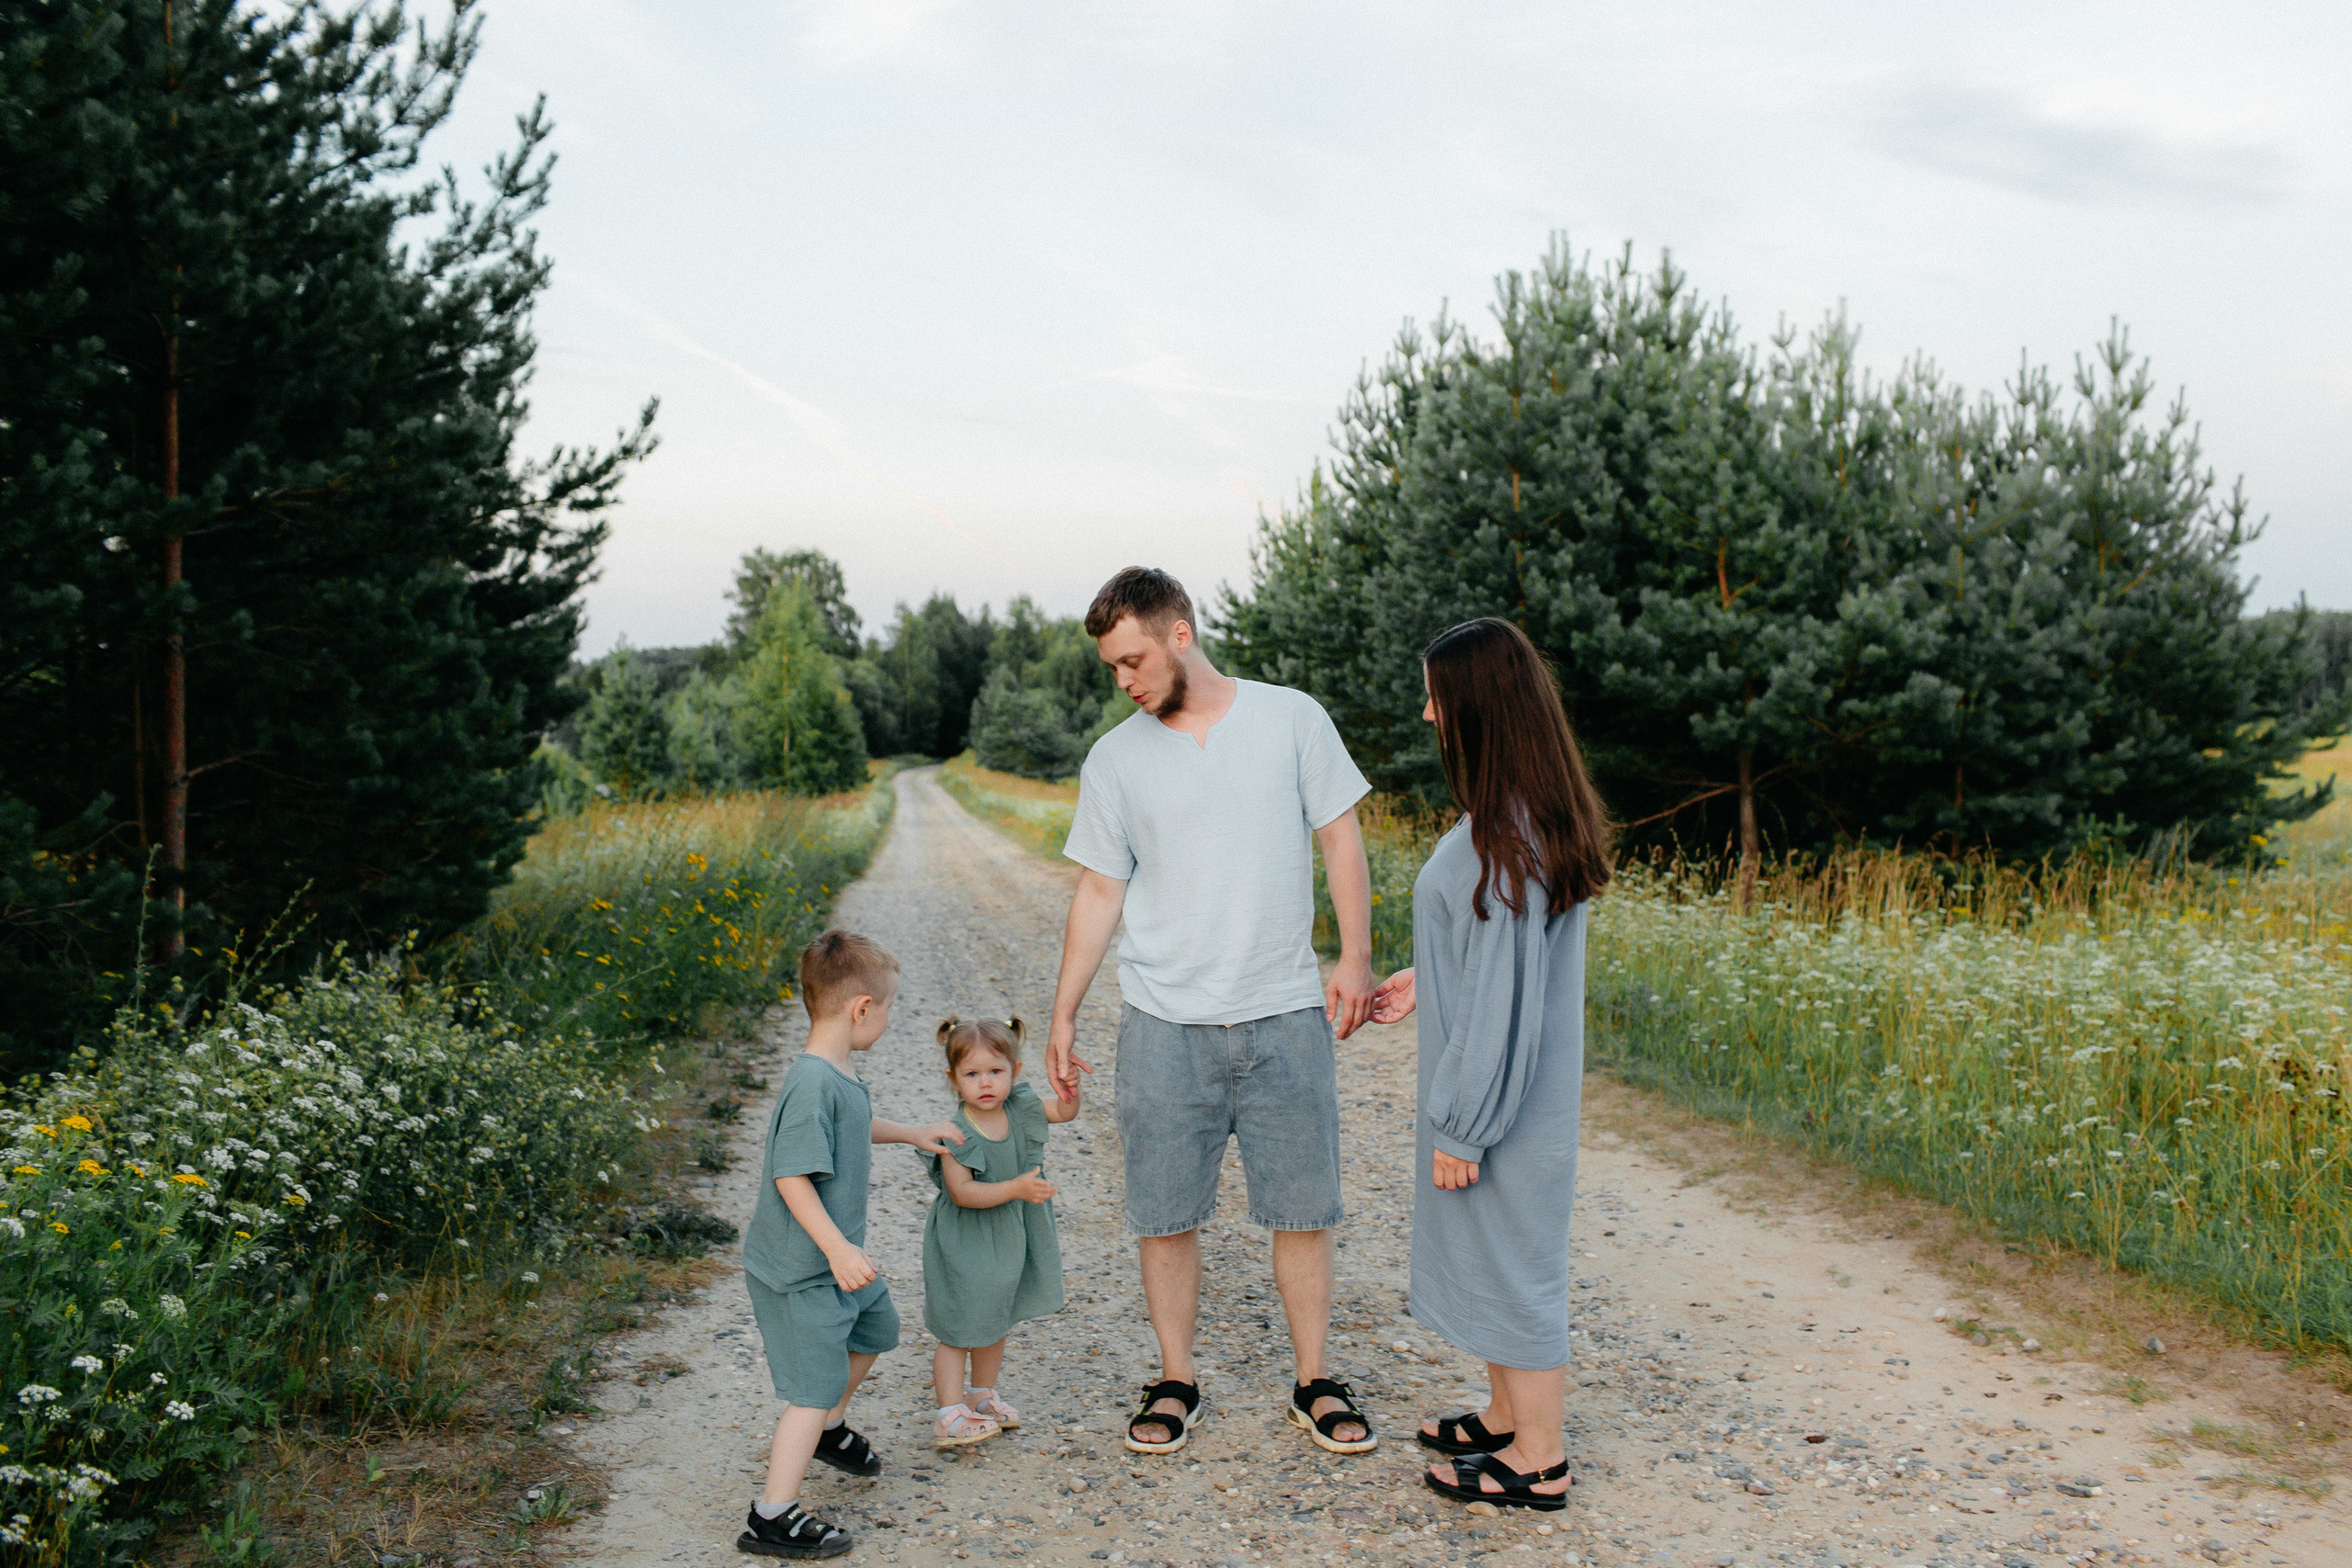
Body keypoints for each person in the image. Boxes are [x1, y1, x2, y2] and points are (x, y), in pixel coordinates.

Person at [1047, 565, 1382, 1458]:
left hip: (1281, 1012)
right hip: (1161, 1024)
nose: (1123, 680)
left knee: (1303, 1210)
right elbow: (1097, 891)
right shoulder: (1115, 760)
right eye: (1112, 667)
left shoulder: (1290, 719)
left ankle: (1313, 1378)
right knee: (1165, 1213)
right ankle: (1175, 1376)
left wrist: (1353, 956)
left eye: (1130, 660)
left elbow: (1340, 837)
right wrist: (1063, 1014)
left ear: (1179, 634)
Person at [1368, 616, 1614, 1514]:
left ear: (1475, 704)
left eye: (1434, 693)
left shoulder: (1507, 834)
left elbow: (1506, 992)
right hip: (1506, 1088)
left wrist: (1464, 1125)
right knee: (1489, 1248)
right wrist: (1426, 984)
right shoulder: (1514, 813)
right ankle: (1507, 1417)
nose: (1425, 710)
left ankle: (1539, 1460)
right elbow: (1499, 964)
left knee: (1514, 1262)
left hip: (1503, 1104)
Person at [737, 931, 966, 1560]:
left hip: (831, 1264)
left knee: (876, 1326)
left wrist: (915, 1132)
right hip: (803, 1269)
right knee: (808, 1388)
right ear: (861, 1007)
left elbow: (857, 1123)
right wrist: (838, 1248)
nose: (890, 1020)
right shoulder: (811, 1083)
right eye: (889, 1008)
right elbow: (791, 1176)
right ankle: (772, 1513)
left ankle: (828, 1427)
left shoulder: (837, 1072)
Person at [922, 1015, 1080, 1447]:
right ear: (953, 1080)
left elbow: (1063, 1113)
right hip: (967, 1241)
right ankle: (949, 1413)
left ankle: (980, 1396)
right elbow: (961, 1193)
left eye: (996, 1072)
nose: (986, 1083)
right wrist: (1016, 1187)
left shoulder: (1020, 1107)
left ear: (1015, 1072)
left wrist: (1070, 1091)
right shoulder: (957, 1133)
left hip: (1006, 1236)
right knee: (958, 1325)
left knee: (996, 1316)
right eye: (972, 1074)